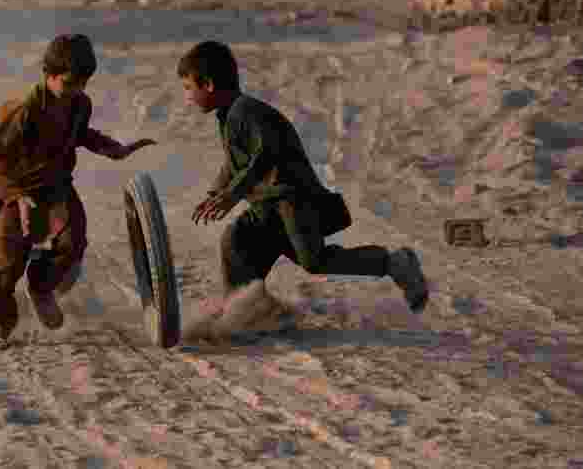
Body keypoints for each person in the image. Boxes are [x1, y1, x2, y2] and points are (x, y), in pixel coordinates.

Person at [177, 40, 428, 338]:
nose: (188, 97)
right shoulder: (229, 116)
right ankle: (249, 312)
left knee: (315, 260)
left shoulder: (247, 112)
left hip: (293, 201)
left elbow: (266, 154)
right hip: (267, 206)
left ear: (208, 84)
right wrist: (214, 193)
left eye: (188, 88)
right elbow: (234, 164)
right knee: (236, 241)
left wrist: (231, 196)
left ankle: (394, 262)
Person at [0, 33, 156, 346]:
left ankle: (41, 287)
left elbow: (82, 134)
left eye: (84, 83)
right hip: (5, 184)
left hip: (52, 182)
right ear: (49, 74)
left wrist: (115, 149)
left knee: (73, 239)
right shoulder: (23, 109)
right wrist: (16, 197)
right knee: (5, 262)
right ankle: (0, 322)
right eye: (71, 82)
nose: (78, 90)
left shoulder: (79, 104)